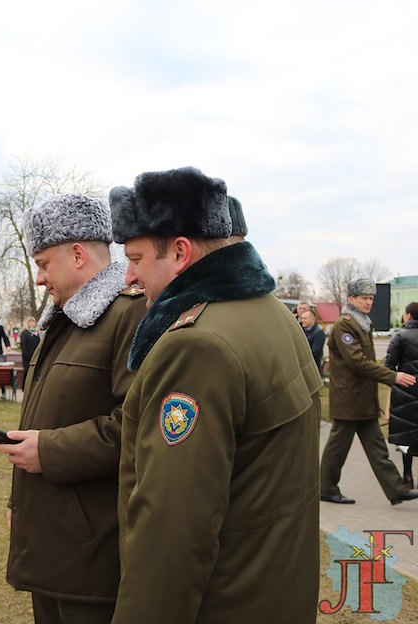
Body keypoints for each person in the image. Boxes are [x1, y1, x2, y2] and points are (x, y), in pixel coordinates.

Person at [108, 166, 323, 623]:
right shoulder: (271, 313)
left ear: (181, 252)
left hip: (224, 603)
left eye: (136, 257)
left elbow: (172, 532)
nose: (128, 275)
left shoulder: (196, 345)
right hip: (275, 593)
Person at [0, 193, 146, 623]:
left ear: (77, 254)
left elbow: (137, 427)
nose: (39, 278)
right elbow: (42, 421)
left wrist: (50, 452)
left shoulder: (129, 316)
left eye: (43, 264)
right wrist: (17, 504)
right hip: (53, 542)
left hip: (93, 552)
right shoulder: (63, 320)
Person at [320, 278, 418, 505]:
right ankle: (326, 488)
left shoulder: (362, 323)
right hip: (349, 399)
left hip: (363, 399)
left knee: (377, 449)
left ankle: (396, 489)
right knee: (337, 448)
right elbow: (357, 362)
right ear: (351, 299)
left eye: (371, 298)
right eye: (364, 298)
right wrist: (393, 376)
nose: (368, 302)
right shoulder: (345, 326)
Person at [385, 302, 418, 488]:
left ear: (409, 316)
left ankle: (407, 476)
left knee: (407, 437)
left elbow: (389, 367)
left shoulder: (400, 337)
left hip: (406, 392)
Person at [301, 308, 326, 374]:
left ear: (313, 319)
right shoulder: (302, 330)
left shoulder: (319, 333)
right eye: (302, 318)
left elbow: (314, 353)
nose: (302, 320)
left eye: (305, 318)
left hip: (313, 370)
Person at [19, 316, 41, 390]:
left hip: (36, 356)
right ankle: (25, 388)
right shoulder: (24, 333)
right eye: (30, 322)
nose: (32, 323)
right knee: (27, 372)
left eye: (33, 321)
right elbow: (23, 345)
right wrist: (26, 355)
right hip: (27, 357)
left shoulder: (37, 333)